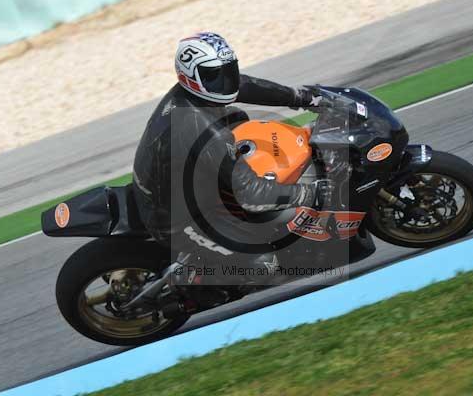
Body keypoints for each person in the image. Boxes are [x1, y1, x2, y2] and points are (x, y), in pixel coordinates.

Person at [132, 32, 333, 301]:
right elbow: (250, 195)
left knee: (241, 121)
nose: (225, 81)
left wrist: (302, 97)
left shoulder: (197, 94)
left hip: (181, 183)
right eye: (215, 75)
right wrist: (309, 193)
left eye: (228, 71)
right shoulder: (199, 126)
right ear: (190, 76)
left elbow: (245, 86)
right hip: (175, 218)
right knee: (263, 264)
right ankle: (192, 283)